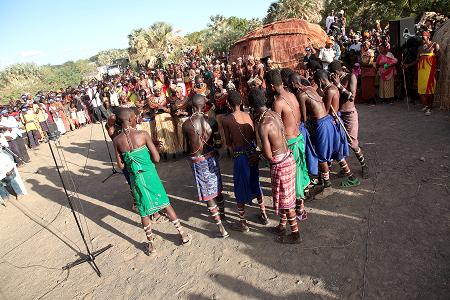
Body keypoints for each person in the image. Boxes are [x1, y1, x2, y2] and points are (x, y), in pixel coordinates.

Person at [113, 108, 190, 255]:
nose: (136, 119)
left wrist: (130, 160)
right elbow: (157, 159)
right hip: (150, 175)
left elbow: (120, 165)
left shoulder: (117, 140)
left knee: (143, 211)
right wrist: (147, 153)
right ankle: (182, 234)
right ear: (130, 119)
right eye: (135, 117)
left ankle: (151, 245)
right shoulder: (143, 134)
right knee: (165, 204)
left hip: (135, 178)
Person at [248, 88, 300, 244]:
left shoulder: (263, 124)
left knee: (287, 201)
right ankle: (282, 226)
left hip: (280, 163)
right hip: (288, 159)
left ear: (251, 105)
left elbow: (269, 155)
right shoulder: (275, 114)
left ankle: (296, 234)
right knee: (286, 198)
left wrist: (257, 156)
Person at [292, 75, 360, 190]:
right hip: (330, 122)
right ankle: (351, 177)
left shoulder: (304, 94)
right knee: (337, 154)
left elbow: (304, 118)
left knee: (321, 156)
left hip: (323, 124)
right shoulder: (312, 90)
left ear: (293, 84)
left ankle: (327, 187)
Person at [182, 94, 228, 238]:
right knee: (217, 187)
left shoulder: (186, 124)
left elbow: (185, 149)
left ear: (193, 106)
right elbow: (219, 144)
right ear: (203, 106)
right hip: (212, 158)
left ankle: (221, 227)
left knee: (208, 194)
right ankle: (223, 214)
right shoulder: (212, 121)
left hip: (198, 161)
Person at [222, 91, 269, 232]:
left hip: (240, 157)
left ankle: (243, 223)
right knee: (255, 183)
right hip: (252, 154)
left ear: (228, 104)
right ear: (241, 102)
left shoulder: (226, 120)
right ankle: (264, 214)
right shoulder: (248, 116)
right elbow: (255, 137)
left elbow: (228, 142)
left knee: (239, 188)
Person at [266, 69, 309, 221]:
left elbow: (277, 129)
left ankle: (294, 213)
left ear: (271, 86)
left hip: (290, 142)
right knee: (299, 174)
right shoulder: (291, 95)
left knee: (290, 181)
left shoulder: (277, 103)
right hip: (298, 137)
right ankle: (300, 207)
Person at [329, 61, 369, 179]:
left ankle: (364, 166)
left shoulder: (351, 76)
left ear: (336, 72)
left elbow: (351, 97)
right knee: (340, 142)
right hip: (338, 114)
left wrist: (339, 85)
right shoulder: (334, 79)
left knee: (352, 142)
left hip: (349, 114)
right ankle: (344, 167)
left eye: (332, 73)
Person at [404, 31, 440, 116]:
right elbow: (417, 60)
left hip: (430, 71)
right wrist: (407, 65)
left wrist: (438, 70)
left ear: (428, 37)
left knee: (430, 90)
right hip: (421, 71)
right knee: (421, 90)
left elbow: (439, 58)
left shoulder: (434, 45)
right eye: (421, 37)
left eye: (423, 36)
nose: (422, 38)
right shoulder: (420, 48)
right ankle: (426, 105)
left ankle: (429, 108)